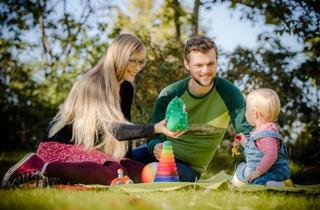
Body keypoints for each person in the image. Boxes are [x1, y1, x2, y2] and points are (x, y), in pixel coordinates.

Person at [1, 33, 183, 188]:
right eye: (132, 61)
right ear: (118, 57)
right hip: (59, 148)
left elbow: (124, 124)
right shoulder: (94, 83)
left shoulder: (126, 87)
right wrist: (156, 128)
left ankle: (59, 176)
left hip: (90, 151)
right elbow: (115, 130)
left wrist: (126, 163)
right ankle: (36, 167)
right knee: (112, 175)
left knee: (138, 172)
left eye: (141, 62)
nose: (137, 67)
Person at [132, 35, 252, 182]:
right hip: (161, 154)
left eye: (211, 64)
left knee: (155, 172)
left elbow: (246, 132)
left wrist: (258, 167)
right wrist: (155, 146)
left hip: (189, 168)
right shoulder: (170, 93)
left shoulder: (230, 93)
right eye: (199, 65)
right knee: (119, 162)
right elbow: (154, 134)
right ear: (187, 64)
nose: (206, 70)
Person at [231, 88, 292, 187]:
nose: (245, 113)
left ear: (254, 114)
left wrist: (258, 172)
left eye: (246, 110)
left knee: (257, 182)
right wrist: (244, 142)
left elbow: (271, 155)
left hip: (274, 171)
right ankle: (242, 178)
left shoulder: (267, 134)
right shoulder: (257, 131)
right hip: (260, 169)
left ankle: (282, 184)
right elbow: (255, 151)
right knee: (242, 171)